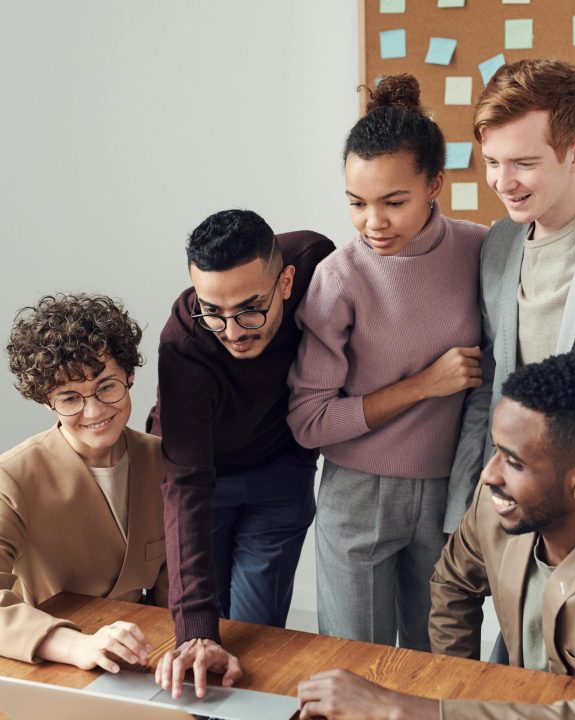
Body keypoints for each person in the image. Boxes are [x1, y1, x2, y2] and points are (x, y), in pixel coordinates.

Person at [298, 352, 575, 720]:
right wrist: (453, 688)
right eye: (495, 450)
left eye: (513, 461)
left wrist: (400, 708)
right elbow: (453, 583)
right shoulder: (499, 506)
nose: (488, 475)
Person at [287, 74, 487, 651]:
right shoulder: (340, 275)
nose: (373, 222)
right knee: (356, 667)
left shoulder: (480, 249)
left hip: (450, 488)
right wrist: (424, 385)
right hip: (357, 492)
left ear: (436, 186)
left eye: (393, 201)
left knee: (439, 665)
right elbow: (309, 421)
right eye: (356, 203)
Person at [147, 209, 334, 697]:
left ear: (287, 281)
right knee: (202, 641)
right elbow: (186, 481)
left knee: (256, 643)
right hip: (198, 479)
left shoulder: (316, 261)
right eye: (213, 310)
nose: (232, 330)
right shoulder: (185, 344)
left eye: (251, 308)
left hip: (279, 470)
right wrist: (196, 632)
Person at [451, 58, 575, 508]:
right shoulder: (497, 243)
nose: (502, 181)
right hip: (510, 507)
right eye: (492, 161)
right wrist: (465, 505)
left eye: (523, 163)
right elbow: (489, 380)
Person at [1, 294, 168, 672]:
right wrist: (76, 647)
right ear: (46, 401)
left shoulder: (162, 461)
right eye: (69, 397)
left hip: (145, 652)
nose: (94, 412)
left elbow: (176, 588)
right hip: (48, 658)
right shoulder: (11, 478)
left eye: (107, 386)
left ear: (130, 375)